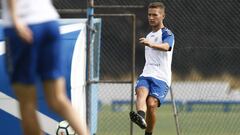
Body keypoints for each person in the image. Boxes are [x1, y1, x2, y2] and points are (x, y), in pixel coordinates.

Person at [1, 0, 89, 135]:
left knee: (27, 102)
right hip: (49, 22)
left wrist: (15, 18)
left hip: (24, 25)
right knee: (58, 98)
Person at [129, 2, 175, 135]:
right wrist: (150, 42)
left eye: (155, 15)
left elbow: (167, 47)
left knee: (151, 104)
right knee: (141, 92)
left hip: (162, 78)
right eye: (149, 14)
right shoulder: (149, 35)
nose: (151, 17)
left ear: (163, 16)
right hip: (147, 74)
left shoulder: (167, 33)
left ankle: (148, 133)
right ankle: (141, 118)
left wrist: (151, 44)